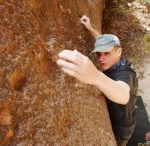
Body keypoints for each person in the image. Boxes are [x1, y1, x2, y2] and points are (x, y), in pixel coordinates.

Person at [56, 15, 138, 146]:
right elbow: (102, 40)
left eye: (106, 53)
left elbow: (123, 94)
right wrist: (90, 28)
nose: (101, 58)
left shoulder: (125, 73)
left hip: (122, 126)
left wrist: (96, 76)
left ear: (119, 52)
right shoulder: (116, 58)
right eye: (99, 53)